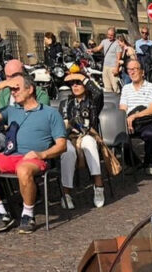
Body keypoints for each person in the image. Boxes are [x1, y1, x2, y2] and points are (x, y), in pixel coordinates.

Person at [0, 72, 67, 233]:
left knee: (23, 170)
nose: (13, 92)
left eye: (17, 88)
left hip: (35, 158)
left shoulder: (50, 113)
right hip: (11, 155)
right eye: (12, 89)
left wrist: (41, 154)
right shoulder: (12, 110)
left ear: (30, 89)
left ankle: (28, 215)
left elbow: (62, 146)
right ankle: (1, 212)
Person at [59, 72, 105, 209]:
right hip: (70, 136)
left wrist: (82, 77)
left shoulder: (93, 102)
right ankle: (66, 194)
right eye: (72, 83)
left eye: (78, 83)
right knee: (67, 151)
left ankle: (98, 186)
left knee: (89, 143)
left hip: (88, 135)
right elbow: (62, 126)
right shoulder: (65, 103)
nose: (75, 85)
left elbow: (99, 92)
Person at [118, 60, 152, 175]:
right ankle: (134, 163)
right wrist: (126, 120)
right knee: (118, 138)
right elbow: (123, 109)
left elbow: (151, 109)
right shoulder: (126, 88)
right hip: (130, 122)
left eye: (134, 69)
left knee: (151, 135)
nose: (131, 72)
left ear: (142, 72)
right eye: (129, 70)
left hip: (146, 120)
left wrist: (133, 116)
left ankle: (148, 163)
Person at [90, 27, 121, 93]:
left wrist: (117, 68)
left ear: (114, 35)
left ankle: (118, 100)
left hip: (113, 67)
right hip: (105, 67)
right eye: (108, 35)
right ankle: (109, 101)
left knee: (115, 86)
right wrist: (91, 50)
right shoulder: (104, 41)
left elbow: (118, 58)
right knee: (107, 87)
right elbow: (98, 48)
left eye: (111, 35)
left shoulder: (117, 43)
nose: (109, 36)